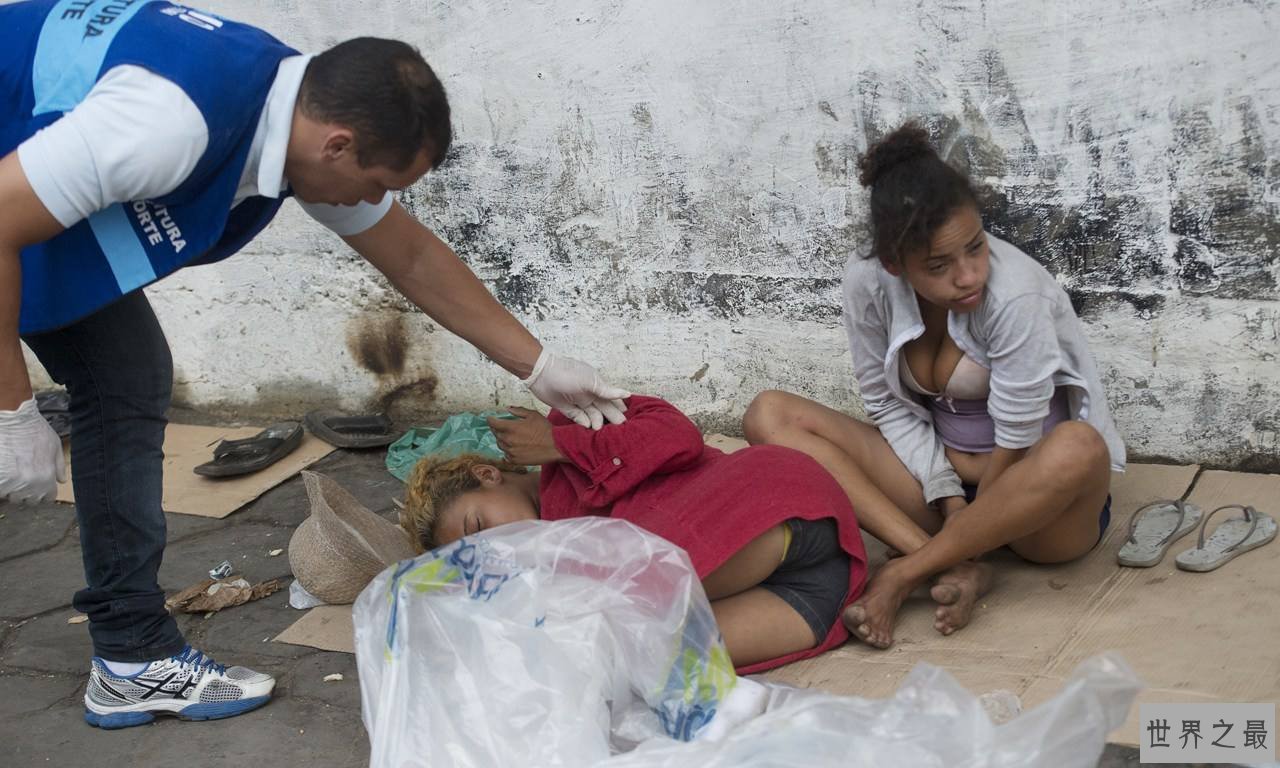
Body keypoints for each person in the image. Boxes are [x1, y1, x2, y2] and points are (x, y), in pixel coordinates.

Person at [0, 0, 627, 728]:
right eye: (379, 183)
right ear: (338, 145)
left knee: (127, 379)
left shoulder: (285, 108)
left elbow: (412, 256)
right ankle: (132, 652)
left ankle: (130, 655)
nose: (375, 202)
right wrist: (11, 408)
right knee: (116, 385)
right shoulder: (169, 123)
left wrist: (539, 365)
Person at [742, 123, 1125, 649]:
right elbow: (884, 403)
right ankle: (950, 563)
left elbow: (1019, 433)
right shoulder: (868, 280)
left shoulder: (1016, 293)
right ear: (895, 264)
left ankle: (906, 571)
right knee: (769, 415)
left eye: (976, 247)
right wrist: (949, 500)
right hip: (937, 492)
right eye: (939, 265)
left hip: (1036, 508)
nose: (968, 276)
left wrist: (968, 526)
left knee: (1078, 446)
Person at [401, 395, 868, 673]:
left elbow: (678, 435)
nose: (499, 548)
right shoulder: (547, 569)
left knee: (613, 599)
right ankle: (878, 592)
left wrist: (561, 445)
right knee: (631, 656)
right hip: (813, 589)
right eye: (482, 554)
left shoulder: (568, 422)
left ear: (487, 475)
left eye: (480, 528)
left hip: (775, 503)